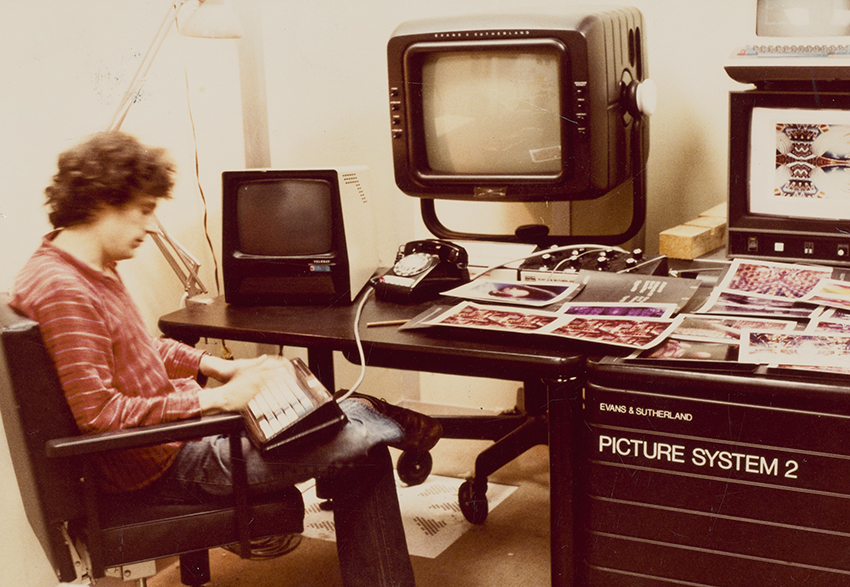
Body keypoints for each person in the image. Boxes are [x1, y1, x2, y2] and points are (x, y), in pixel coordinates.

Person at [10, 130, 442, 587]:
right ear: (101, 202)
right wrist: (218, 401)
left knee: (323, 419)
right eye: (143, 210)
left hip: (175, 440)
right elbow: (100, 415)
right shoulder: (64, 290)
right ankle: (377, 416)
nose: (151, 226)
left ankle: (358, 412)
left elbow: (136, 346)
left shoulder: (80, 265)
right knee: (356, 440)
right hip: (169, 464)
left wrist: (217, 368)